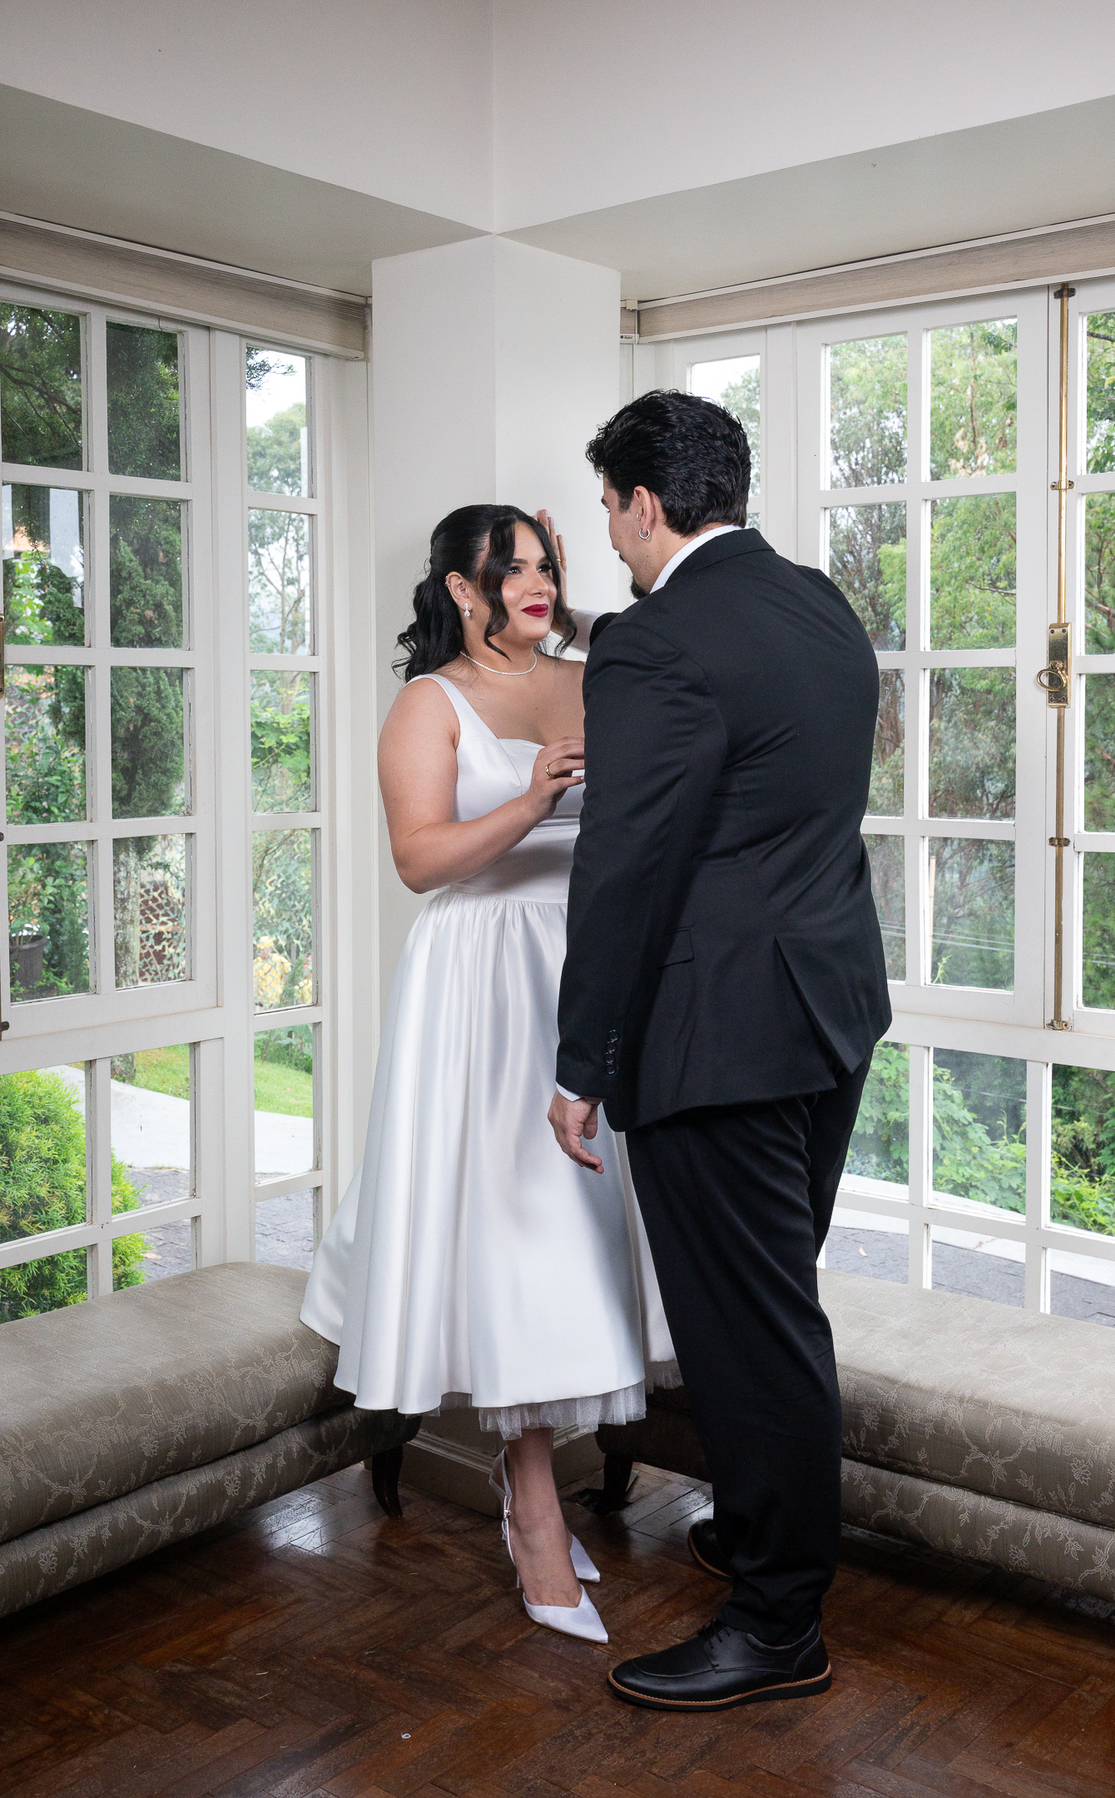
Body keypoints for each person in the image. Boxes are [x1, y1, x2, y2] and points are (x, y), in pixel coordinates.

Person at [548, 391, 891, 1710]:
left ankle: (778, 1621)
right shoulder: (819, 605)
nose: (610, 536)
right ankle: (757, 1534)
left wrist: (581, 1061)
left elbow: (624, 866)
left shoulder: (654, 642)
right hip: (828, 1013)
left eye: (610, 510)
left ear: (646, 502)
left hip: (717, 1037)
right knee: (770, 1309)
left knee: (753, 1335)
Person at [301, 503, 676, 1645]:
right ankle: (535, 1510)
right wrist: (532, 799)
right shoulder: (429, 702)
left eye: (544, 560)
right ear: (461, 590)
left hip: (587, 965)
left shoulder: (594, 674)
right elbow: (419, 860)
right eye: (509, 568)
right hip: (483, 978)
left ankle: (544, 1484)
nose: (534, 579)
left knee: (590, 1230)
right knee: (517, 1229)